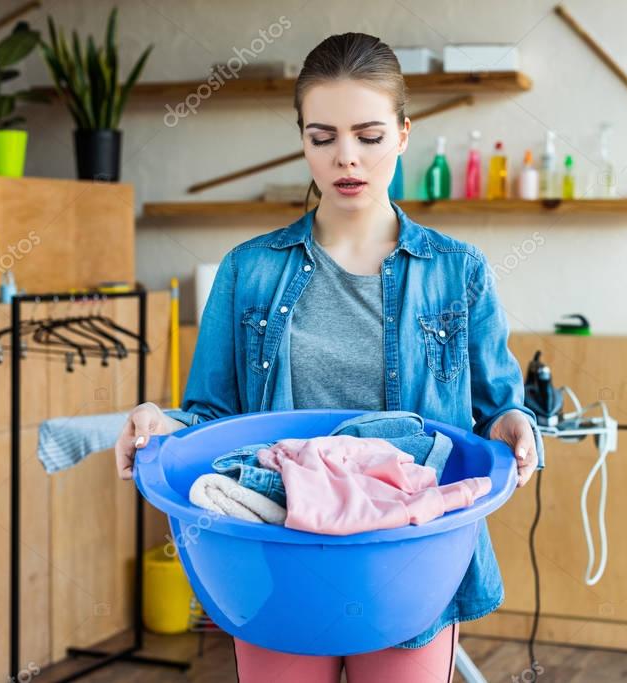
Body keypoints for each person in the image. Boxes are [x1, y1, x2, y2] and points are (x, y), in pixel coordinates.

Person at [114, 31, 543, 683]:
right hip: (280, 557)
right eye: (322, 136)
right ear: (302, 138)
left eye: (369, 136)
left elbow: (494, 410)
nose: (346, 158)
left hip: (406, 561)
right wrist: (158, 420)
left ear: (403, 134)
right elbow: (210, 415)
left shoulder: (459, 273)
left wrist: (515, 423)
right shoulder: (249, 271)